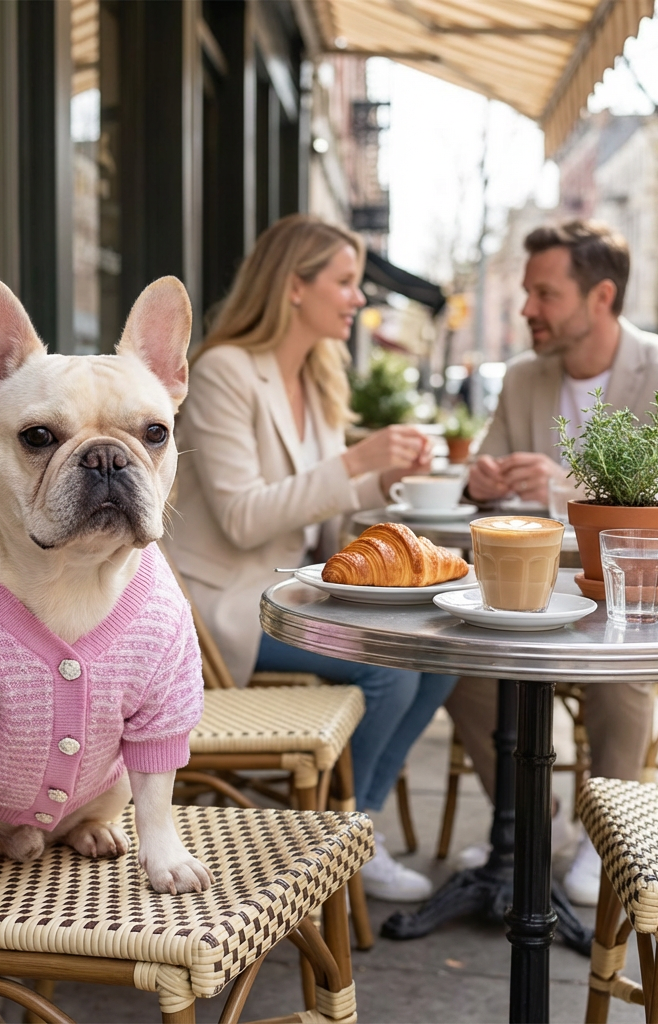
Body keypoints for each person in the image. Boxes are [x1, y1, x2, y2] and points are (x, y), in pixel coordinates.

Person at [166, 214, 458, 902]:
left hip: (289, 594)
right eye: (346, 281)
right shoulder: (223, 372)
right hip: (222, 606)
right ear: (294, 287)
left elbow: (319, 504)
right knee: (388, 671)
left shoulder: (318, 375)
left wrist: (384, 479)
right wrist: (359, 460)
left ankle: (361, 822)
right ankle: (337, 841)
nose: (358, 297)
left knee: (439, 657)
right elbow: (244, 518)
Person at [449, 219, 658, 904]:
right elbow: (490, 491)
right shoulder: (522, 378)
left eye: (544, 294)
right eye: (526, 292)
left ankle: (604, 833)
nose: (526, 310)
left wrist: (559, 480)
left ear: (600, 297)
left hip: (656, 591)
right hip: (541, 587)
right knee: (458, 668)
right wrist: (481, 482)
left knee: (618, 662)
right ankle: (527, 822)